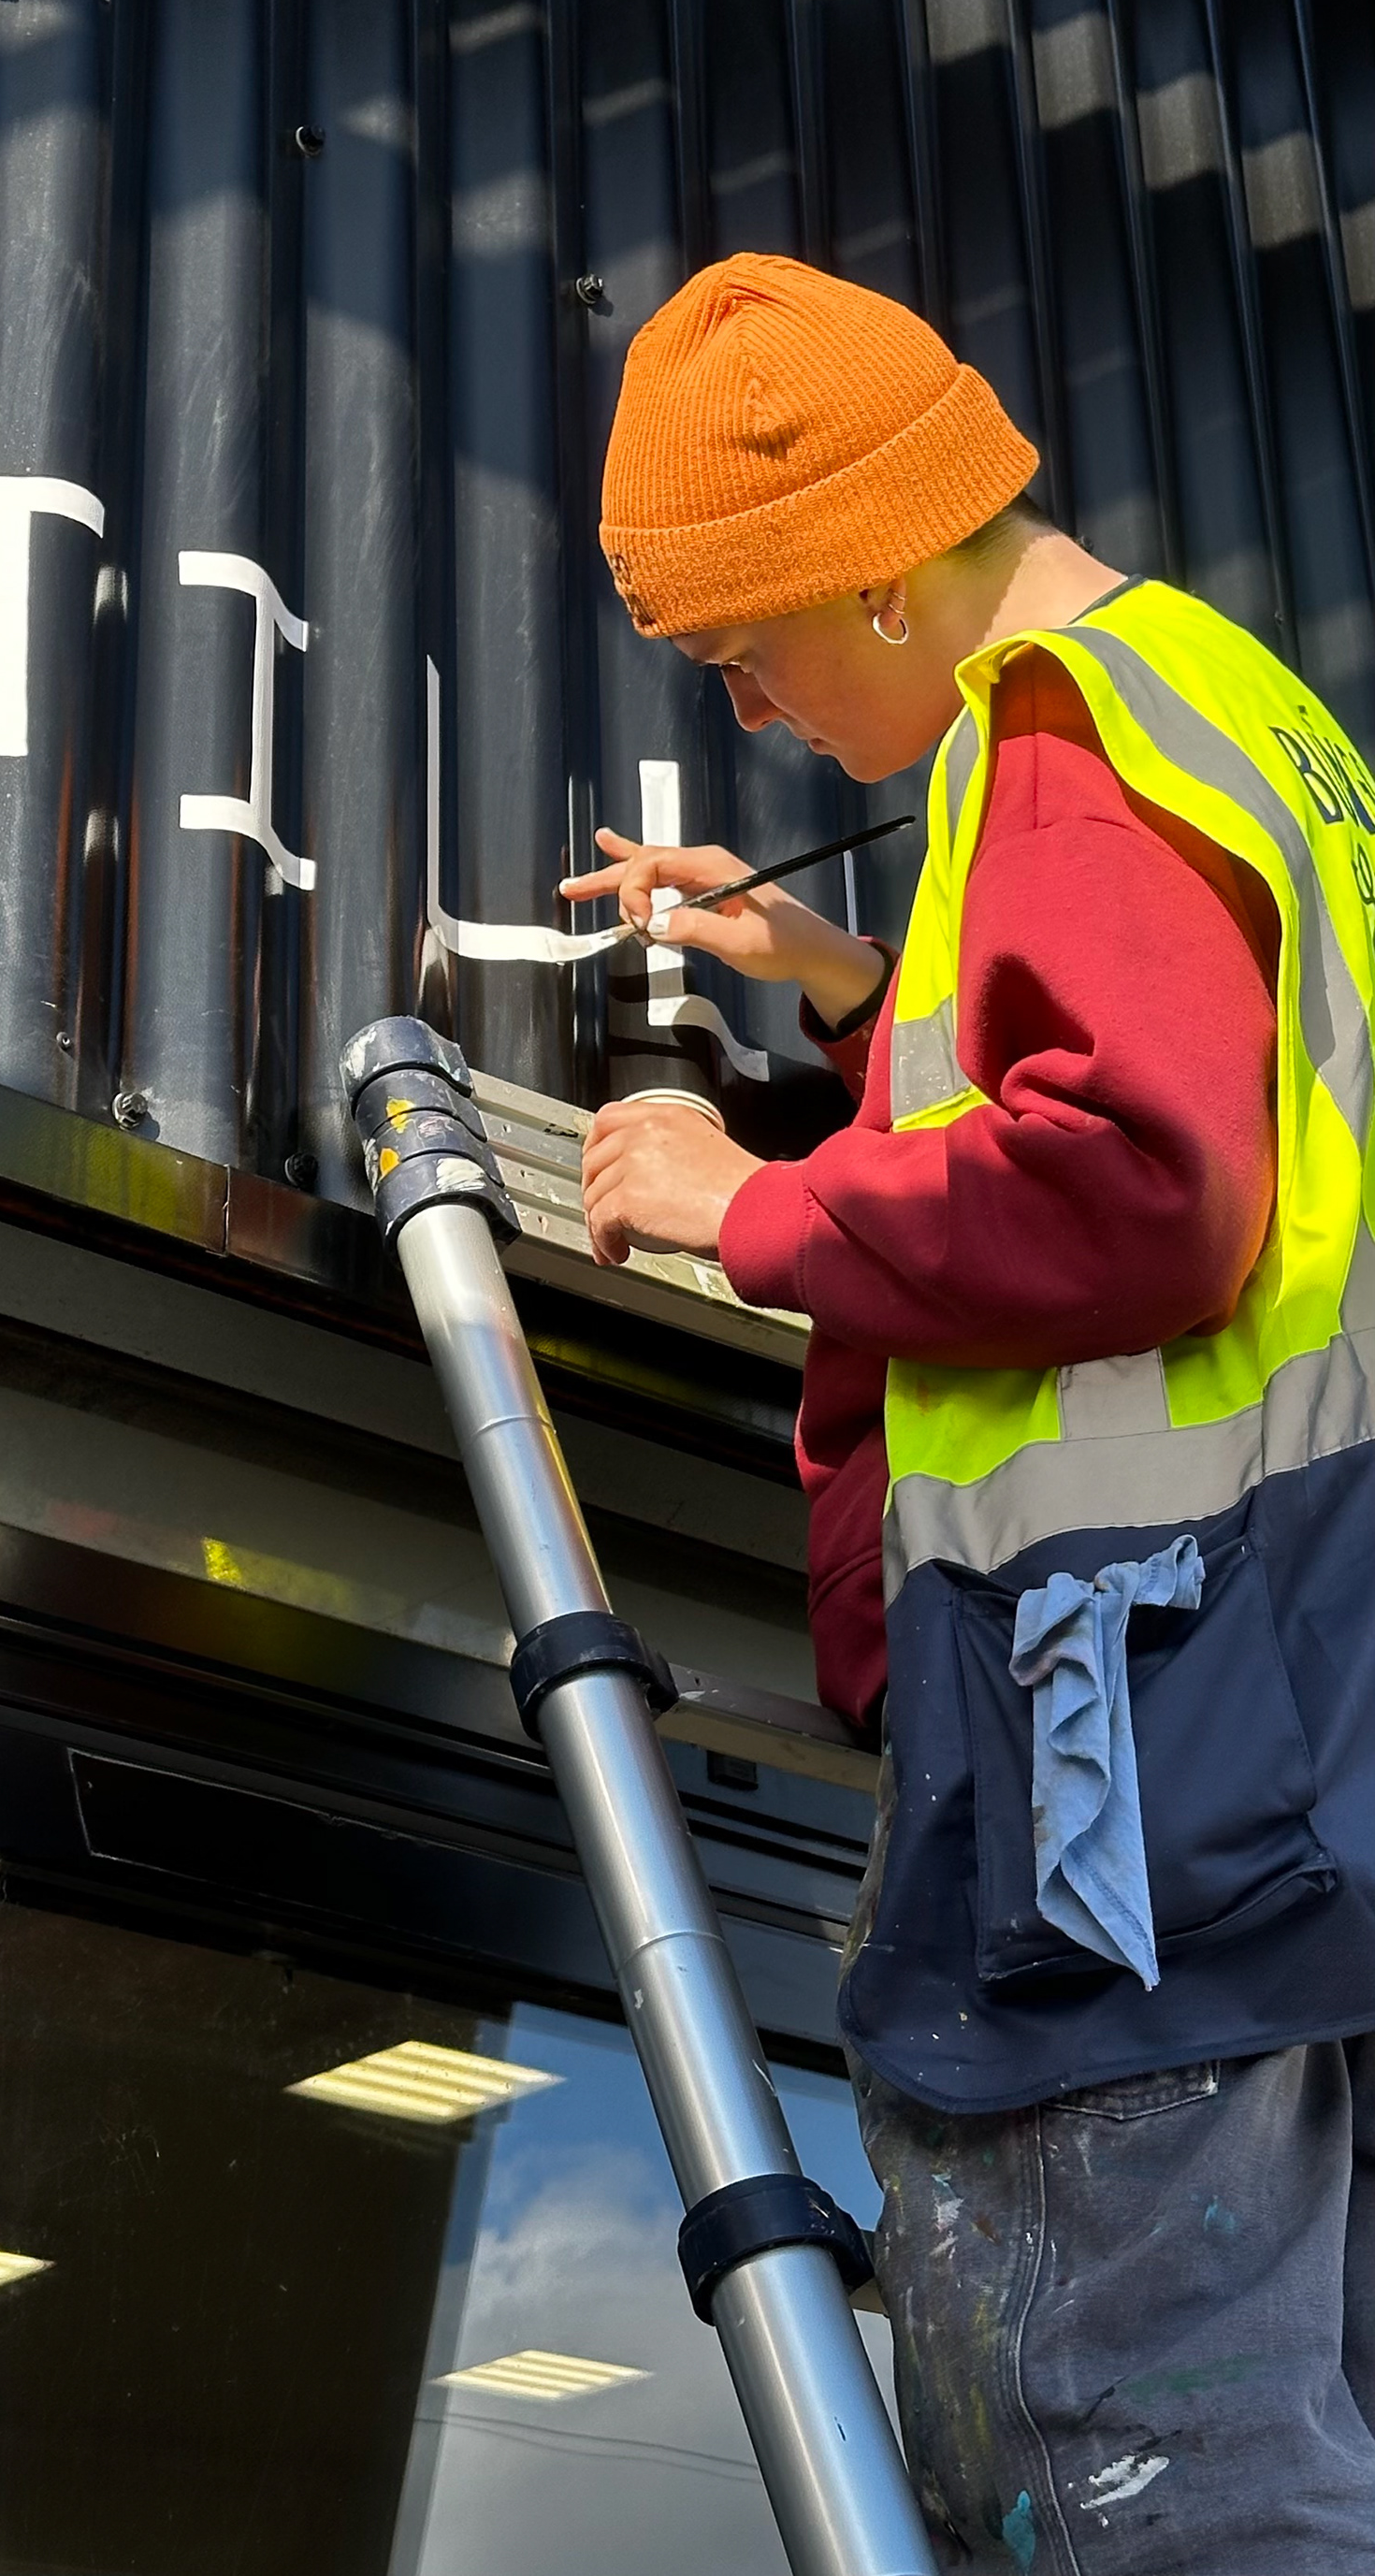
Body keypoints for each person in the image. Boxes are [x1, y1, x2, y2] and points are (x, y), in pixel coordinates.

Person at [563, 252, 1375, 2573]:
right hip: (1306, 1740)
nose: (756, 703)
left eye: (749, 646)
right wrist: (844, 978)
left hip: (1159, 1757)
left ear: (878, 568)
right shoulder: (1221, 707)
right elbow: (1189, 1112)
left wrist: (753, 1203)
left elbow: (1145, 1177)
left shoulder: (1056, 737)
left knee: (1147, 2471)